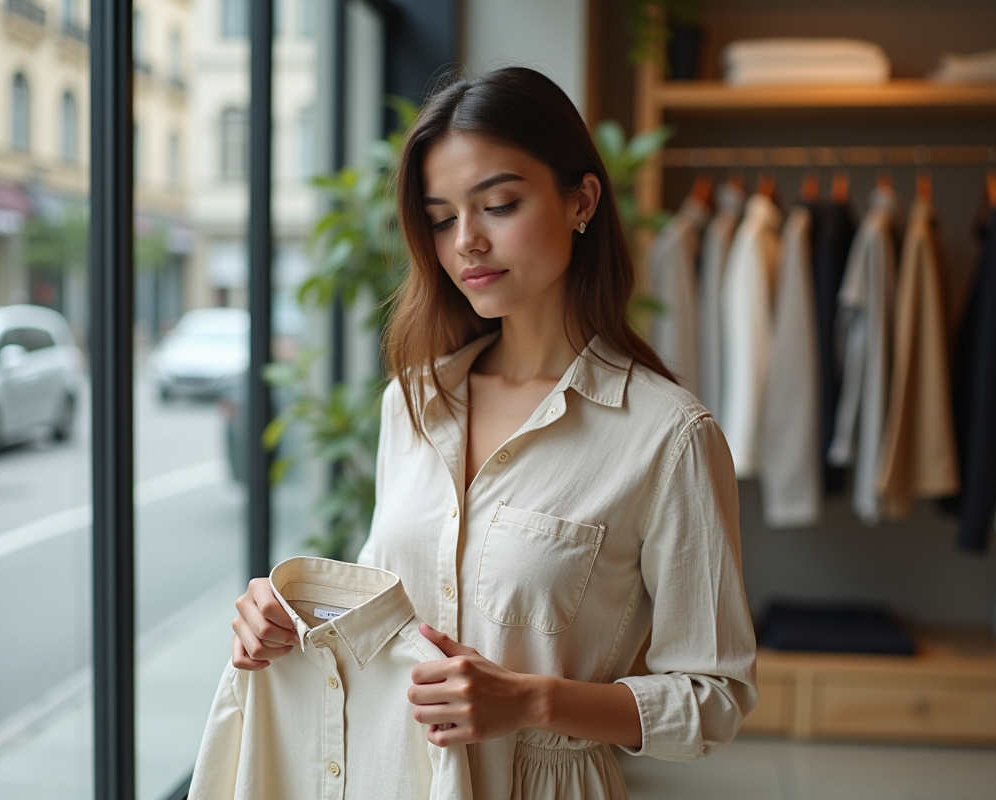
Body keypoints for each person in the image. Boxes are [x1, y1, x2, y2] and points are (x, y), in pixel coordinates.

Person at [230, 66, 757, 799]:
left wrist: (532, 700)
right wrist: (286, 616)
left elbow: (716, 696)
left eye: (499, 204)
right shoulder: (412, 403)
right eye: (442, 218)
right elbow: (386, 624)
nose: (467, 242)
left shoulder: (667, 437)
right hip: (388, 774)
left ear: (582, 200)